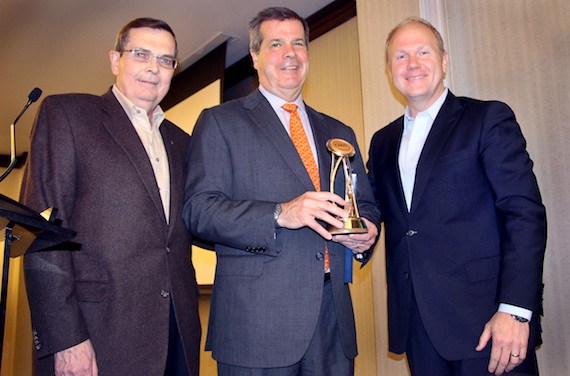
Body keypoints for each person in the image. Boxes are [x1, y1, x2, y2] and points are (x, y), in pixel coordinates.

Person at [183, 7, 381, 376]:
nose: (290, 53)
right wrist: (279, 213)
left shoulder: (339, 132)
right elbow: (198, 211)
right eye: (276, 44)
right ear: (255, 56)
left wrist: (366, 233)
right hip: (256, 324)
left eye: (298, 43)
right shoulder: (220, 121)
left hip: (333, 323)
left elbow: (365, 204)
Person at [367, 16, 546, 376]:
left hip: (488, 321)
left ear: (444, 61)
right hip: (417, 323)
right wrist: (359, 236)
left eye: (423, 51)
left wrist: (514, 310)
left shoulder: (486, 118)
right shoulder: (381, 142)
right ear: (389, 70)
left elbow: (524, 214)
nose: (412, 64)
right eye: (400, 56)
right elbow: (374, 210)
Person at [20, 18, 200, 375]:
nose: (154, 67)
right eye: (141, 54)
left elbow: (197, 223)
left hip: (177, 333)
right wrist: (65, 338)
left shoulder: (183, 141)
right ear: (116, 61)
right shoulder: (69, 114)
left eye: (166, 60)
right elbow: (42, 233)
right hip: (98, 334)